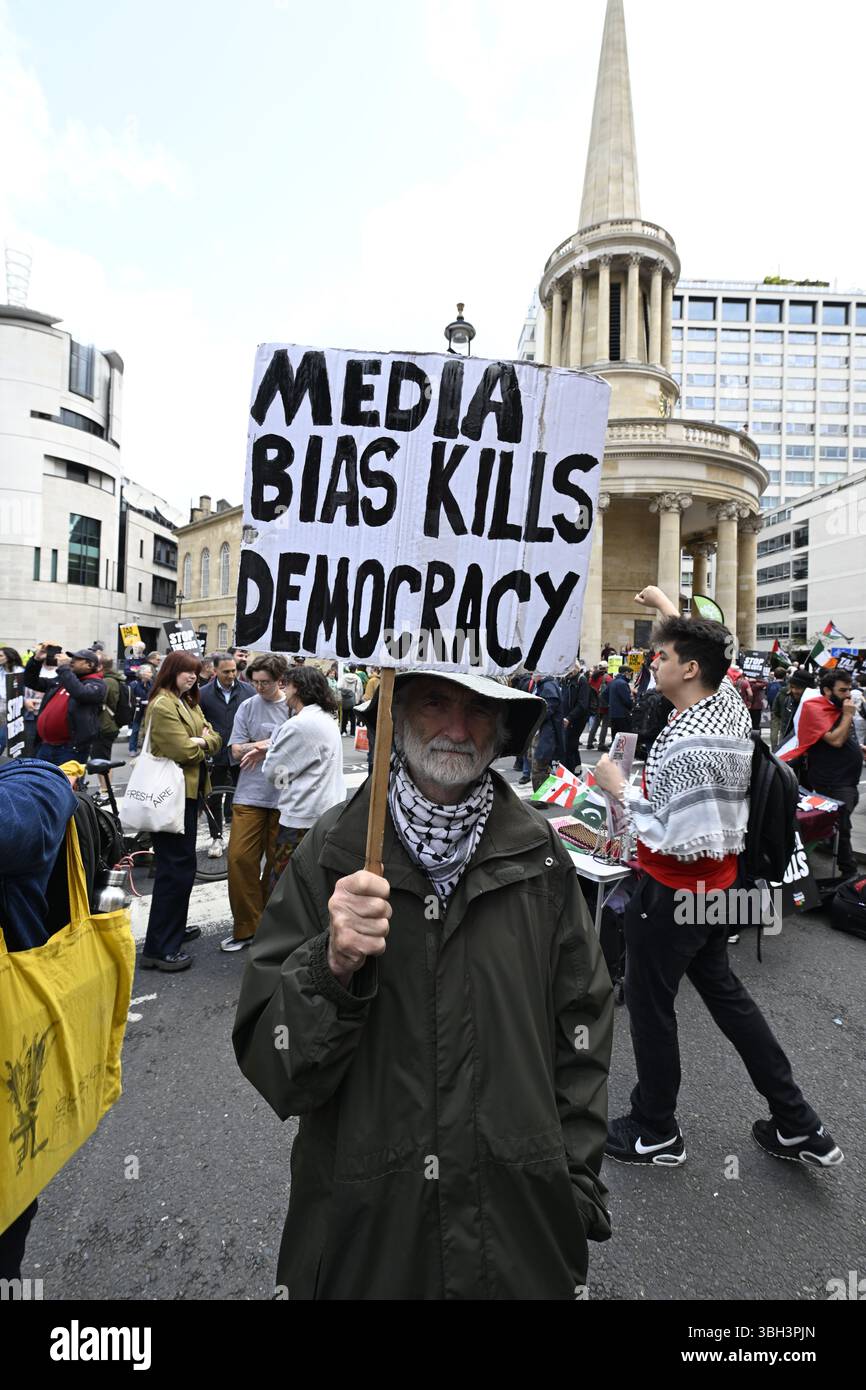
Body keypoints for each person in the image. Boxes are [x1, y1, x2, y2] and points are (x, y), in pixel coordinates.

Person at [233, 670, 614, 1300]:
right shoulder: (331, 852)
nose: (457, 730)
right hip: (368, 1240)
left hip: (520, 1239)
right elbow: (273, 1063)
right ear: (396, 717)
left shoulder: (541, 858)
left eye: (480, 711)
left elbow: (583, 1026)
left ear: (503, 730)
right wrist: (330, 967)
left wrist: (571, 1185)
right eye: (436, 703)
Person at [594, 585, 843, 1170]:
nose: (653, 660)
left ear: (690, 669)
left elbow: (666, 832)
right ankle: (797, 1120)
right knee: (730, 1001)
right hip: (719, 890)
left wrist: (616, 786)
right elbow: (708, 649)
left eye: (662, 655)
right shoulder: (727, 704)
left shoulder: (687, 740)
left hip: (672, 894)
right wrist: (665, 609)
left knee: (653, 1009)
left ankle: (656, 1129)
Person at [140, 652, 222, 971]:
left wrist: (203, 740)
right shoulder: (163, 705)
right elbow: (183, 750)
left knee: (182, 866)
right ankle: (160, 948)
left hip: (187, 794)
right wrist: (201, 741)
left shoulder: (186, 701)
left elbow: (213, 737)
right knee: (175, 870)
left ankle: (171, 929)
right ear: (172, 671)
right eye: (187, 672)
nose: (193, 677)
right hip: (171, 795)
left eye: (196, 672)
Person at [221, 654, 290, 953]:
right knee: (239, 859)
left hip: (284, 796)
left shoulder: (292, 707)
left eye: (266, 682)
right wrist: (267, 745)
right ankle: (248, 925)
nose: (259, 687)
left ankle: (267, 924)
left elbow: (299, 744)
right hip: (249, 793)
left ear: (280, 681)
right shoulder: (248, 706)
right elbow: (236, 751)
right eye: (255, 682)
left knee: (277, 865)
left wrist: (263, 745)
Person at [262, 666, 346, 893]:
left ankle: (283, 928)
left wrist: (271, 750)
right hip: (326, 812)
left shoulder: (300, 724)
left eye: (286, 685)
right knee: (315, 884)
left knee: (286, 885)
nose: (284, 691)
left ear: (297, 688)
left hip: (301, 816)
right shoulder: (326, 717)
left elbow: (273, 774)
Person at [799, 670, 866, 879]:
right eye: (842, 690)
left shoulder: (838, 708)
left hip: (848, 778)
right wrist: (847, 715)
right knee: (843, 823)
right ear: (827, 690)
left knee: (839, 821)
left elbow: (844, 737)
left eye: (849, 689)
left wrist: (857, 748)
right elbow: (834, 740)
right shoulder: (815, 708)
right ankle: (849, 870)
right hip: (831, 779)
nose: (848, 695)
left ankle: (829, 837)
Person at [198, 653, 255, 855]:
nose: (231, 675)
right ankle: (217, 837)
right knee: (213, 797)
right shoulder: (203, 694)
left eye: (234, 671)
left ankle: (242, 837)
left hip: (243, 753)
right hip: (216, 754)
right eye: (226, 672)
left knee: (243, 797)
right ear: (215, 671)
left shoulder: (248, 691)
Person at [25, 647, 106, 764]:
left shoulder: (97, 684)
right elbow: (31, 682)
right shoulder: (62, 680)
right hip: (45, 746)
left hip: (69, 749)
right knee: (41, 781)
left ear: (90, 665)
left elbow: (81, 693)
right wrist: (36, 660)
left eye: (77, 659)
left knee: (66, 782)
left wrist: (64, 668)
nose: (71, 661)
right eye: (72, 657)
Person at [529, 671, 564, 791]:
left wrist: (533, 717)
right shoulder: (546, 685)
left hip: (546, 734)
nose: (532, 675)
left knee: (539, 765)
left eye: (534, 673)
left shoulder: (548, 686)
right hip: (544, 732)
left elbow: (547, 710)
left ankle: (540, 798)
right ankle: (545, 794)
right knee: (541, 765)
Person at [89, 657, 129, 765]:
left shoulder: (108, 681)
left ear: (100, 666)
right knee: (101, 760)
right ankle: (105, 782)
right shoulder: (111, 679)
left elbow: (100, 700)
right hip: (107, 724)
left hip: (105, 725)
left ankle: (105, 782)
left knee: (102, 762)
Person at [771, 668, 813, 751]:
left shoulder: (813, 705)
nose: (794, 691)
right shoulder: (789, 699)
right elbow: (785, 723)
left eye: (798, 688)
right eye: (792, 687)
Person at [561, 667, 591, 773]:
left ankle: (573, 772)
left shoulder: (581, 681)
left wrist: (569, 718)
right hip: (568, 718)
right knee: (571, 748)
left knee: (570, 747)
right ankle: (577, 772)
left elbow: (582, 704)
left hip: (576, 719)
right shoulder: (566, 680)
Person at [0, 646, 25, 756]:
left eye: (1, 656)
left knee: (5, 734)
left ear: (9, 657)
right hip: (1, 703)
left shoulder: (20, 671)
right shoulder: (1, 670)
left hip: (13, 704)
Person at [127, 664, 154, 756]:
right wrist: (141, 701)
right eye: (149, 672)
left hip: (149, 708)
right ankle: (132, 749)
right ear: (142, 673)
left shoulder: (152, 683)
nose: (151, 674)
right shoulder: (134, 684)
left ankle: (147, 749)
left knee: (149, 728)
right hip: (137, 709)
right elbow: (131, 698)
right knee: (135, 728)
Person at [607, 666, 634, 739]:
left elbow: (604, 695)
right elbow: (627, 700)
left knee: (615, 737)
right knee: (624, 738)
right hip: (623, 715)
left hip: (613, 714)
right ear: (626, 673)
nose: (631, 676)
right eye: (631, 674)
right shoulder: (622, 683)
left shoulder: (613, 682)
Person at [338, 664, 363, 736]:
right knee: (353, 716)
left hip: (345, 699)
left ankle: (343, 731)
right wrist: (358, 699)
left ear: (349, 669)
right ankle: (352, 732)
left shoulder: (344, 677)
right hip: (353, 699)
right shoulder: (357, 678)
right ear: (355, 670)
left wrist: (344, 692)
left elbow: (339, 686)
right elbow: (359, 690)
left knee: (344, 716)